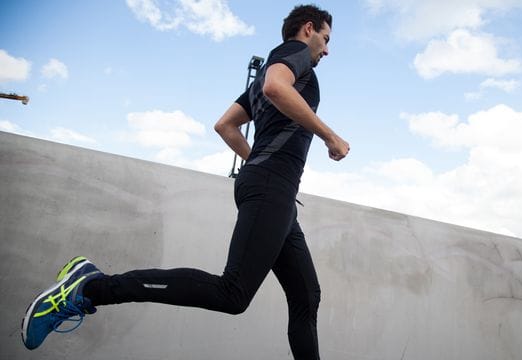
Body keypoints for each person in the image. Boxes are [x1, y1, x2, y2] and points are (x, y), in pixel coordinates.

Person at [21, 4, 349, 359]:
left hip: (277, 191)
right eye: (326, 39)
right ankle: (91, 288)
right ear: (308, 29)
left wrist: (259, 162)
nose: (327, 50)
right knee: (233, 293)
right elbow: (275, 88)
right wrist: (329, 136)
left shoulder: (269, 71)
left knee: (306, 296)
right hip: (272, 187)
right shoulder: (293, 54)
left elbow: (225, 125)